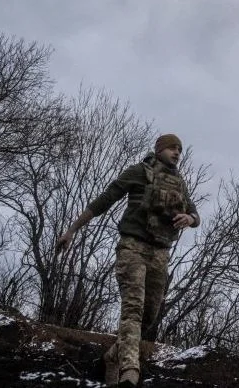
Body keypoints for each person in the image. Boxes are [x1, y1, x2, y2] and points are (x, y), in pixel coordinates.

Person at [55, 133, 199, 388]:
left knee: (149, 315)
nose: (177, 153)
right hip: (132, 247)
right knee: (133, 309)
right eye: (172, 148)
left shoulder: (179, 182)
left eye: (180, 149)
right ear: (159, 150)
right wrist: (72, 230)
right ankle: (130, 372)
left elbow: (195, 214)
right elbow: (105, 200)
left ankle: (113, 356)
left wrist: (190, 218)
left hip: (160, 254)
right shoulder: (138, 172)